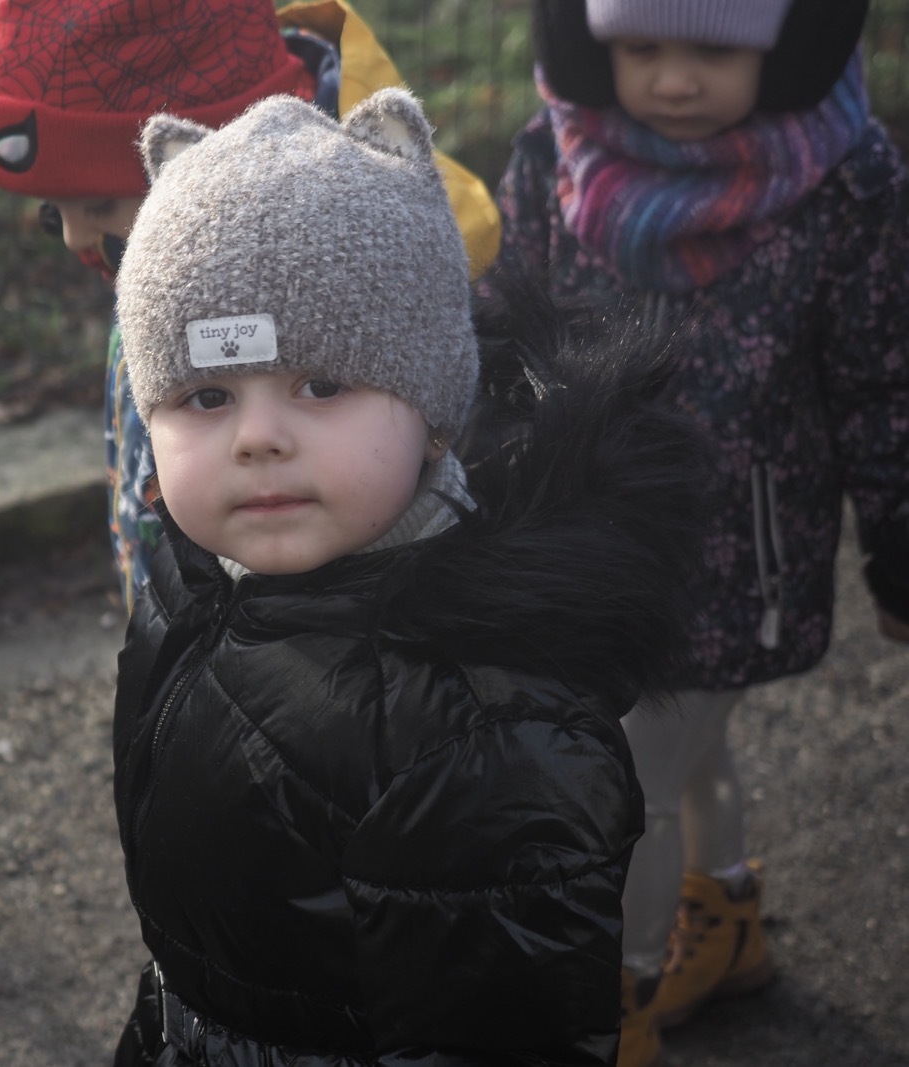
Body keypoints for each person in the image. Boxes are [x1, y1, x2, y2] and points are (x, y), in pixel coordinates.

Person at [108, 87, 712, 1067]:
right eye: (206, 395)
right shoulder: (189, 586)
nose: (258, 437)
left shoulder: (484, 733)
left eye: (322, 383)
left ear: (434, 414)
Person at [489, 2, 909, 1064]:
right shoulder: (556, 152)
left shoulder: (842, 183)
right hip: (591, 536)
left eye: (713, 50)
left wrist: (896, 539)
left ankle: (617, 995)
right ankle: (724, 920)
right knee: (684, 748)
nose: (672, 81)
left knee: (630, 780)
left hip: (733, 557)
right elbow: (508, 323)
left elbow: (880, 377)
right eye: (641, 49)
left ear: (784, 47)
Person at [0, 0, 502, 612]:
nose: (73, 238)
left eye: (322, 387)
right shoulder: (152, 303)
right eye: (209, 397)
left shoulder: (486, 639)